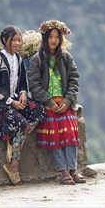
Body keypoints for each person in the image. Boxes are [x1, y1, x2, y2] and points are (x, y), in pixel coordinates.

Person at [0, 25, 46, 185]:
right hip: (0, 103)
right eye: (15, 40)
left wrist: (23, 92)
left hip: (16, 100)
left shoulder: (18, 59)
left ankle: (15, 140)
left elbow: (22, 81)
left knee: (39, 110)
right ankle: (13, 165)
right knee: (23, 126)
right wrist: (12, 102)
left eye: (20, 40)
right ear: (5, 40)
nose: (18, 43)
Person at [28, 20, 86, 185]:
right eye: (50, 37)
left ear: (61, 39)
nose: (53, 40)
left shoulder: (66, 57)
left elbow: (74, 80)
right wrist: (49, 101)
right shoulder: (37, 59)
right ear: (45, 38)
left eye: (56, 37)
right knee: (56, 135)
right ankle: (64, 171)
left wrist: (68, 100)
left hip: (65, 104)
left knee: (70, 132)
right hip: (48, 105)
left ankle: (74, 170)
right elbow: (34, 85)